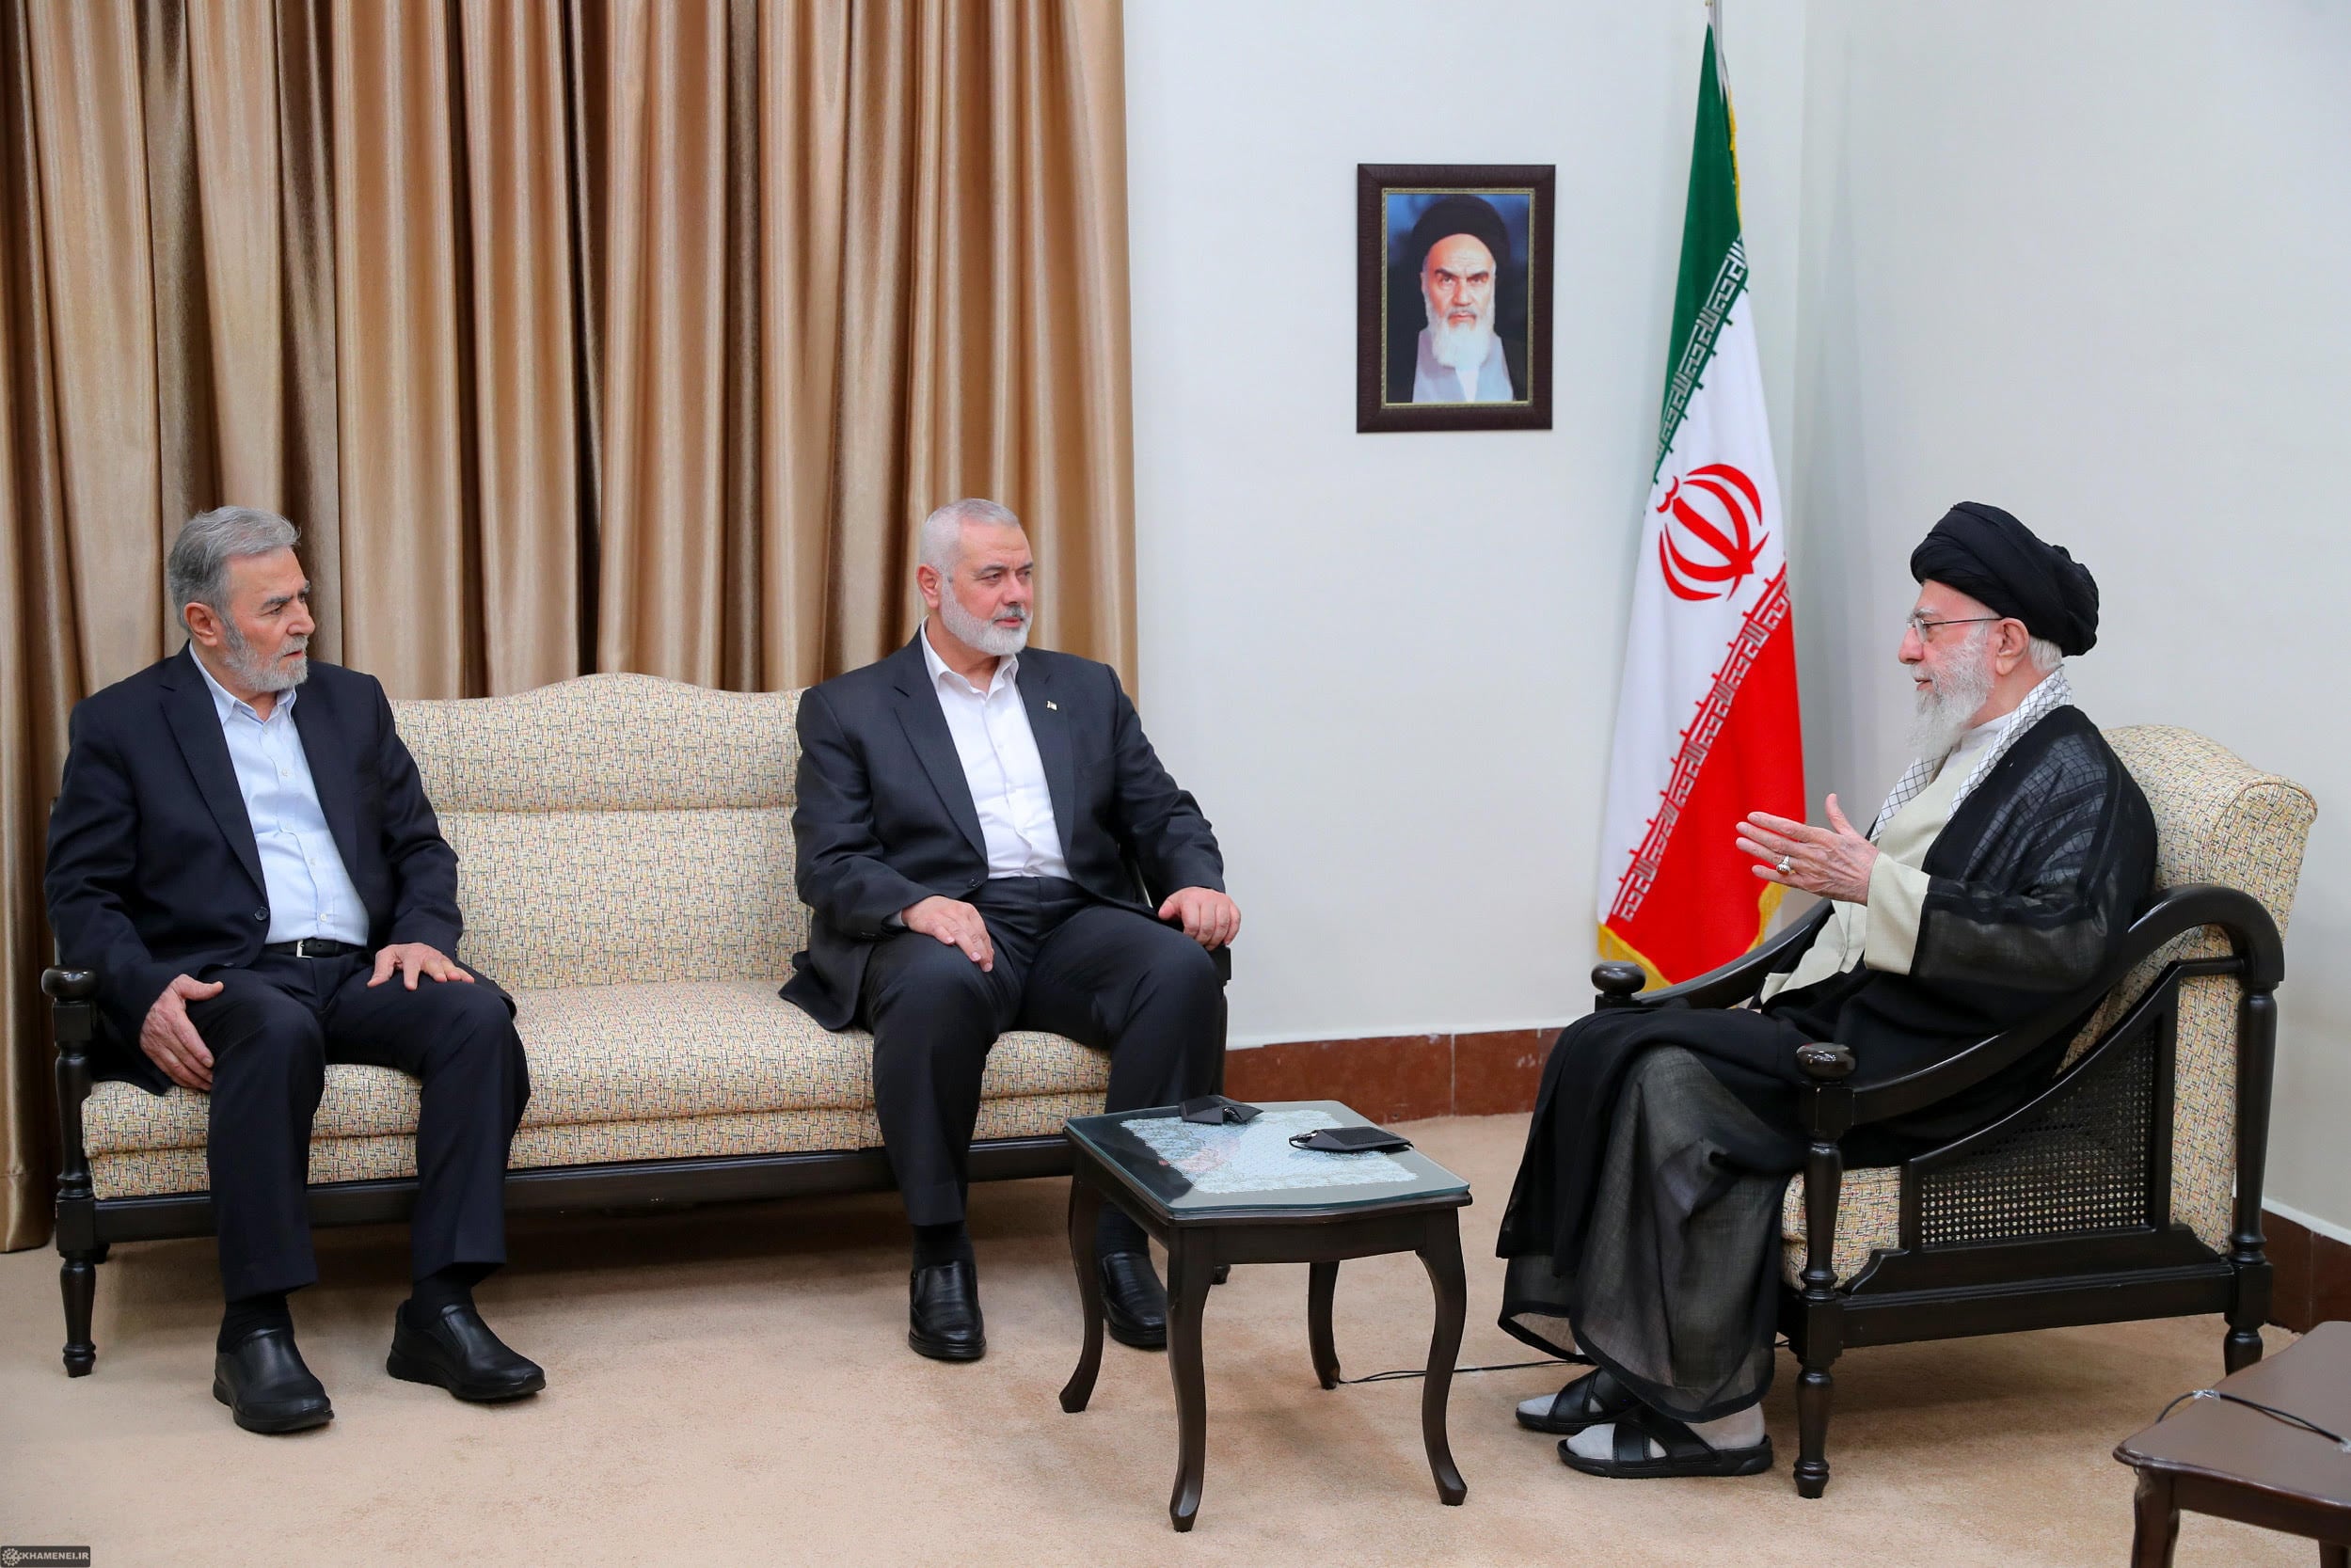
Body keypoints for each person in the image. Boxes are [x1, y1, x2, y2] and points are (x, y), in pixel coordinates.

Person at [1497, 502, 2155, 1479]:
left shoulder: (2083, 781)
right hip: (1867, 1019)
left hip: (1940, 1070)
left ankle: (1717, 1415)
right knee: (1608, 1039)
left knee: (1667, 1073)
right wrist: (1845, 887)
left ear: (2008, 641)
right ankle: (1637, 1360)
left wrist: (1873, 884)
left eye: (1929, 626)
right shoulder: (1973, 746)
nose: (1906, 648)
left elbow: (2063, 947)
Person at [45, 507, 541, 1434]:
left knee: (475, 1018)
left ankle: (440, 1306)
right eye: (277, 606)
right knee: (275, 1030)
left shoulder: (351, 701)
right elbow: (81, 893)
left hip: (359, 965)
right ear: (205, 622)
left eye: (303, 596)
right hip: (230, 972)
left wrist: (423, 933)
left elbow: (420, 846)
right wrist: (142, 985)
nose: (305, 619)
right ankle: (256, 1328)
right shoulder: (122, 723)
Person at [784, 498, 1239, 1362]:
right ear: (932, 584)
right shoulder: (849, 708)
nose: (1016, 595)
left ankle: (1119, 1238)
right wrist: (916, 905)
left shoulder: (1086, 687)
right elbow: (829, 862)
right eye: (992, 575)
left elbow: (1163, 811)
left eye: (1024, 572)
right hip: (946, 921)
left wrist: (1196, 882)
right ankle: (941, 1247)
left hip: (1073, 918)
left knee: (1180, 968)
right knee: (932, 986)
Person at [1388, 193, 1521, 404]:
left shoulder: (1528, 364)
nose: (1462, 298)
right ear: (1423, 282)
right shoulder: (1387, 368)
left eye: (1477, 280)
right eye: (1447, 280)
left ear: (1494, 284)